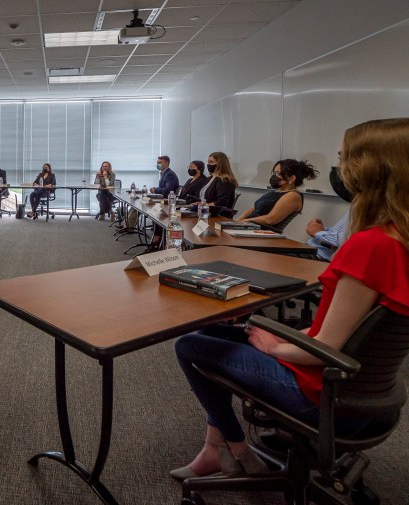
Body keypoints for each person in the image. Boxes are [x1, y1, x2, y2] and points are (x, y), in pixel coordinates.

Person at [170, 118, 409, 481]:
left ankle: (234, 448)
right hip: (371, 395)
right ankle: (213, 449)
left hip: (324, 393)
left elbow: (323, 347)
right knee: (214, 333)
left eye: (344, 159)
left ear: (371, 169)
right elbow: (347, 330)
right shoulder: (397, 239)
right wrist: (289, 337)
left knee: (190, 345)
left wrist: (275, 348)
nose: (339, 169)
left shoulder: (371, 245)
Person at [235, 159, 318, 228]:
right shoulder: (277, 191)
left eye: (278, 173)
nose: (275, 176)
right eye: (274, 173)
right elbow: (253, 208)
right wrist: (235, 222)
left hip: (259, 232)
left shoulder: (293, 196)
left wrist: (246, 221)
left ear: (292, 178)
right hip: (248, 227)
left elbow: (270, 219)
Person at [306, 166, 353, 261]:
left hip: (322, 258)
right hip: (315, 250)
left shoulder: (373, 208)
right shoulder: (357, 204)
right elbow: (343, 233)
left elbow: (348, 242)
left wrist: (318, 232)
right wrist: (323, 230)